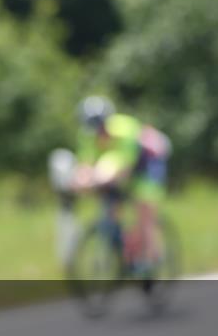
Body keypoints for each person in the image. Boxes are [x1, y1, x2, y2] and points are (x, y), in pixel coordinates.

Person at [71, 96, 171, 271]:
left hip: (145, 166)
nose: (98, 134)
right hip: (116, 170)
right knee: (111, 209)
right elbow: (85, 165)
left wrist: (99, 179)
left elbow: (125, 166)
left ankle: (152, 257)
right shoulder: (87, 136)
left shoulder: (125, 129)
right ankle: (125, 251)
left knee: (143, 207)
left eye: (101, 129)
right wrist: (79, 181)